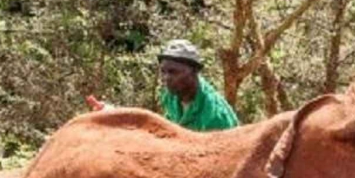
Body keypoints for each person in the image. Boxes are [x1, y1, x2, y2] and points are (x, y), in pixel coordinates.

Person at [87, 39, 240, 132]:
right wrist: (115, 114)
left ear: (194, 72)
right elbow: (159, 127)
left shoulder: (215, 116)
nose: (166, 78)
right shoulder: (171, 95)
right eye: (164, 72)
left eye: (173, 72)